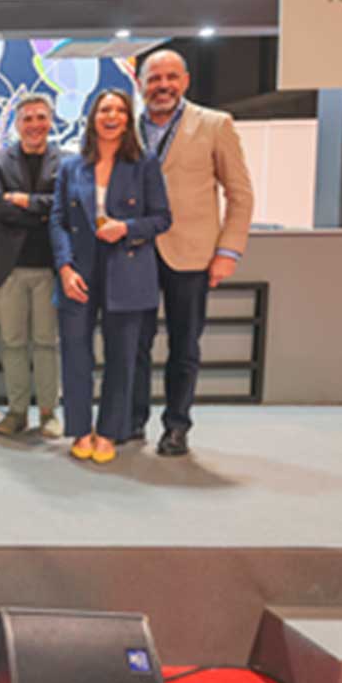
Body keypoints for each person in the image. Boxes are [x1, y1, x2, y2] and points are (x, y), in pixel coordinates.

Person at [131, 50, 254, 456]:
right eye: (153, 79)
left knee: (184, 346)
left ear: (184, 81)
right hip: (137, 255)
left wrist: (228, 252)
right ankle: (132, 422)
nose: (162, 86)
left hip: (193, 255)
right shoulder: (126, 127)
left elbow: (240, 194)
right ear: (140, 84)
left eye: (170, 77)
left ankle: (177, 426)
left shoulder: (215, 125)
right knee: (136, 344)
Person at [52, 88, 172, 464]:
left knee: (122, 356)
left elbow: (162, 218)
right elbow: (57, 219)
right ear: (92, 117)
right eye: (105, 109)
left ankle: (109, 432)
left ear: (127, 119)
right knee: (75, 354)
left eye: (120, 110)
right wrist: (65, 267)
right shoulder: (72, 166)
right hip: (80, 270)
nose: (112, 116)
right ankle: (81, 429)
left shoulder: (144, 163)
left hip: (128, 267)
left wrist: (127, 228)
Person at [0, 93, 64, 438]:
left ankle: (47, 413)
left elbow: (66, 206)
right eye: (27, 118)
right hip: (8, 268)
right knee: (12, 343)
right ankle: (15, 412)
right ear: (16, 123)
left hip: (51, 267)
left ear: (50, 121)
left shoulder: (66, 161)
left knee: (46, 343)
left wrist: (26, 201)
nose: (34, 125)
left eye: (41, 117)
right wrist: (42, 212)